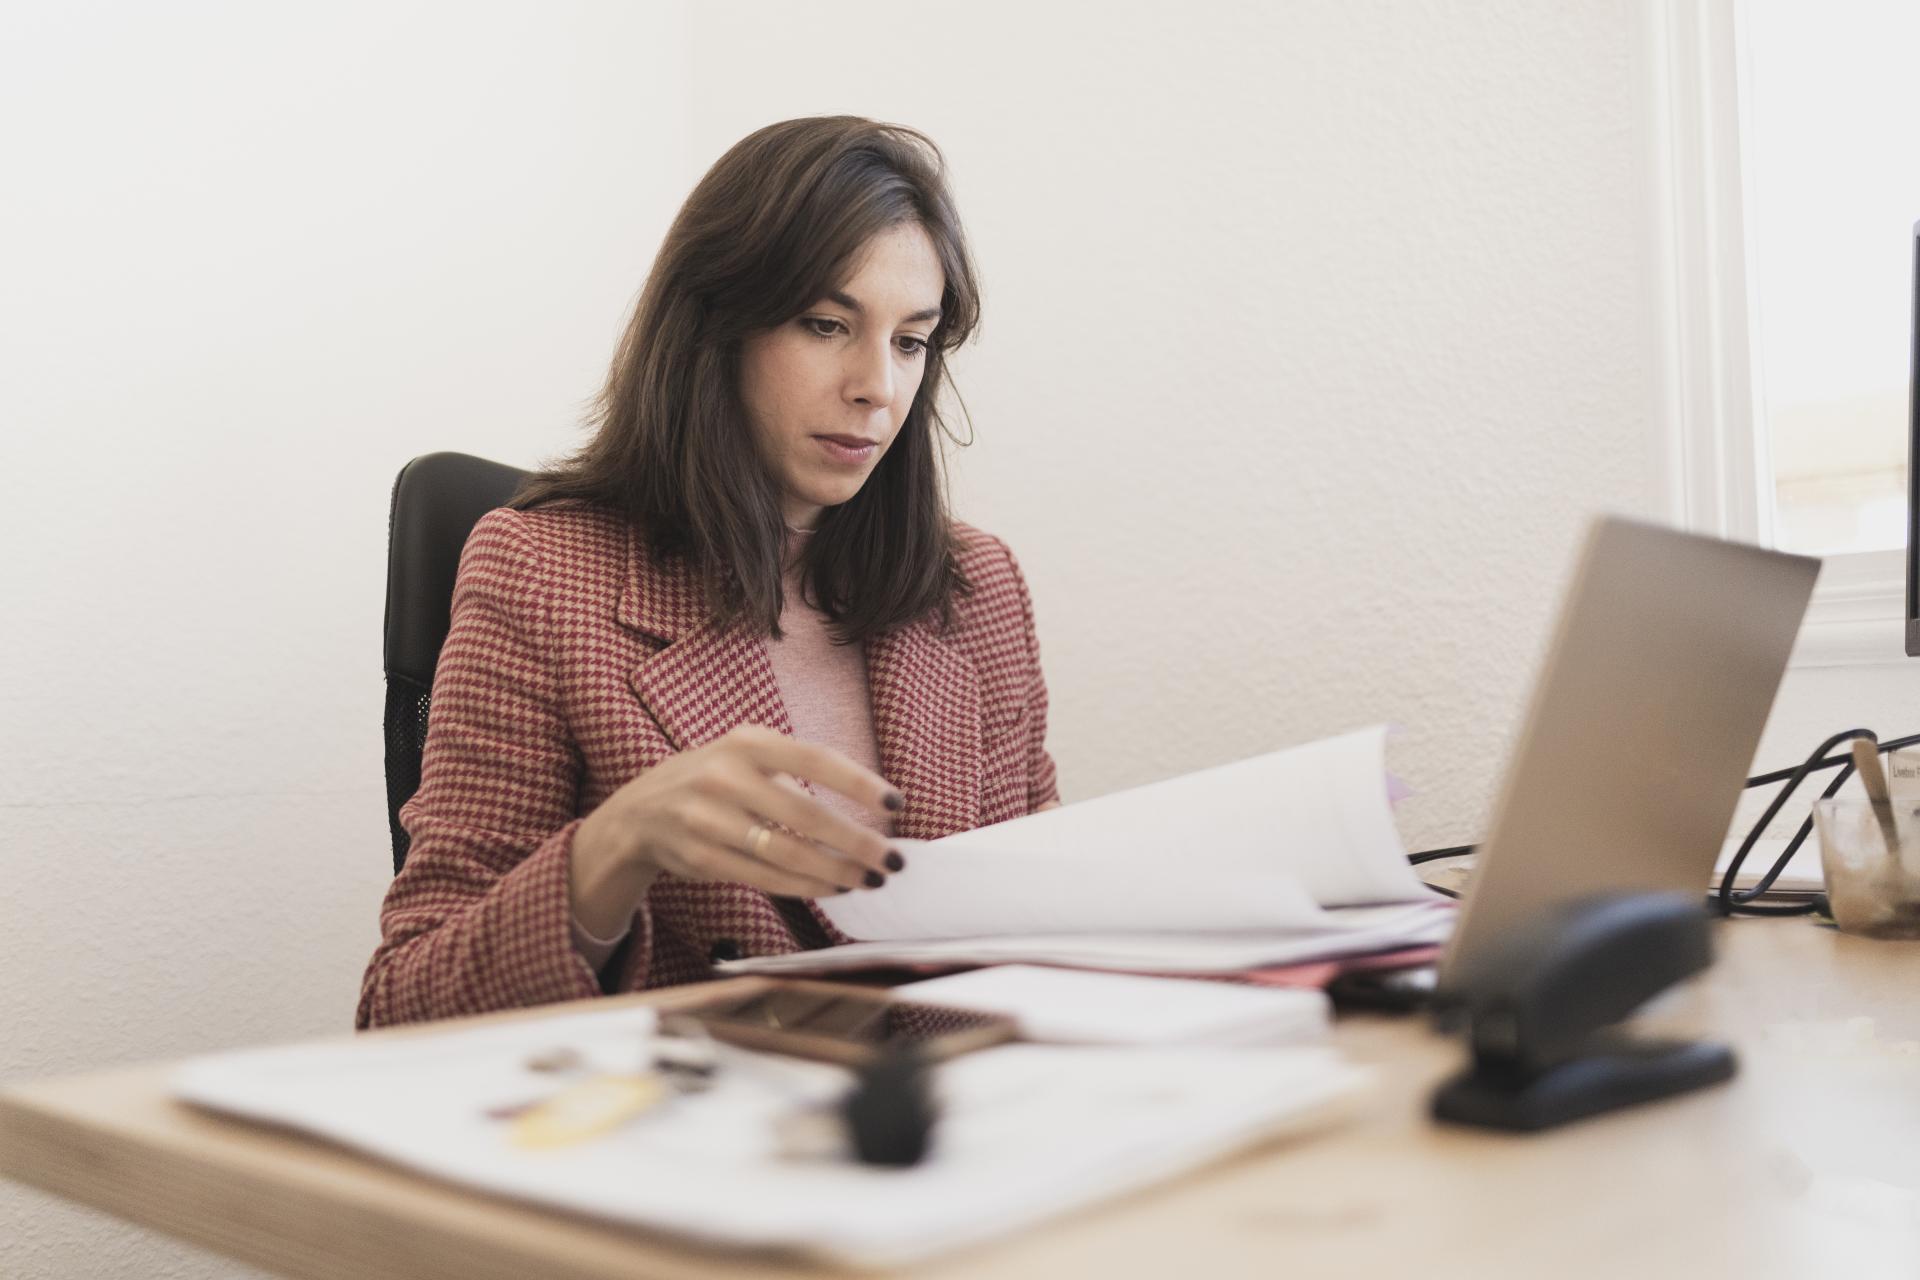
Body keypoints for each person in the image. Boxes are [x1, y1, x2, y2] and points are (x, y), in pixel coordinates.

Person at [358, 117, 1059, 1028]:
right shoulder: (539, 572)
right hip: (682, 1137)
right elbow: (402, 1010)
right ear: (715, 328)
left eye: (910, 342)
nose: (877, 387)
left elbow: (1048, 933)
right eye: (825, 324)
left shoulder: (976, 589)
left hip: (955, 1131)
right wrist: (613, 849)